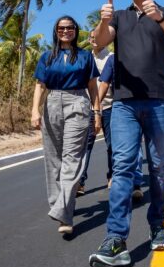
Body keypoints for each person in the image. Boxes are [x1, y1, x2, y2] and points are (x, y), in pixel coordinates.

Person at [89, 0, 164, 267]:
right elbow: (99, 41)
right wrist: (104, 21)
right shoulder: (119, 16)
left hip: (159, 103)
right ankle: (116, 238)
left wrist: (159, 17)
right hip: (124, 105)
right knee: (123, 169)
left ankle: (157, 224)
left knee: (158, 167)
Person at [30, 16, 100, 235]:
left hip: (78, 102)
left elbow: (93, 86)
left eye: (70, 27)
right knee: (54, 159)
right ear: (56, 31)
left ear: (75, 30)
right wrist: (34, 110)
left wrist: (97, 113)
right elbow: (40, 85)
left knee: (72, 159)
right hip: (52, 103)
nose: (66, 31)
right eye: (61, 28)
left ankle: (63, 212)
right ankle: (58, 204)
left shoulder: (85, 56)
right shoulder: (47, 56)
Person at [97, 52, 145, 199]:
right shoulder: (112, 59)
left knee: (137, 147)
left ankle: (136, 184)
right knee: (120, 149)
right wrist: (96, 107)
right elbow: (104, 83)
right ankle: (121, 183)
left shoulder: (143, 55)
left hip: (144, 104)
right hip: (121, 106)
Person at [78, 30, 114, 195]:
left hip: (110, 107)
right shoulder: (85, 58)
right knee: (86, 146)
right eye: (91, 37)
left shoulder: (112, 57)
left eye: (97, 37)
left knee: (112, 145)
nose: (94, 39)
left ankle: (112, 176)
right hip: (88, 108)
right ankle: (80, 181)